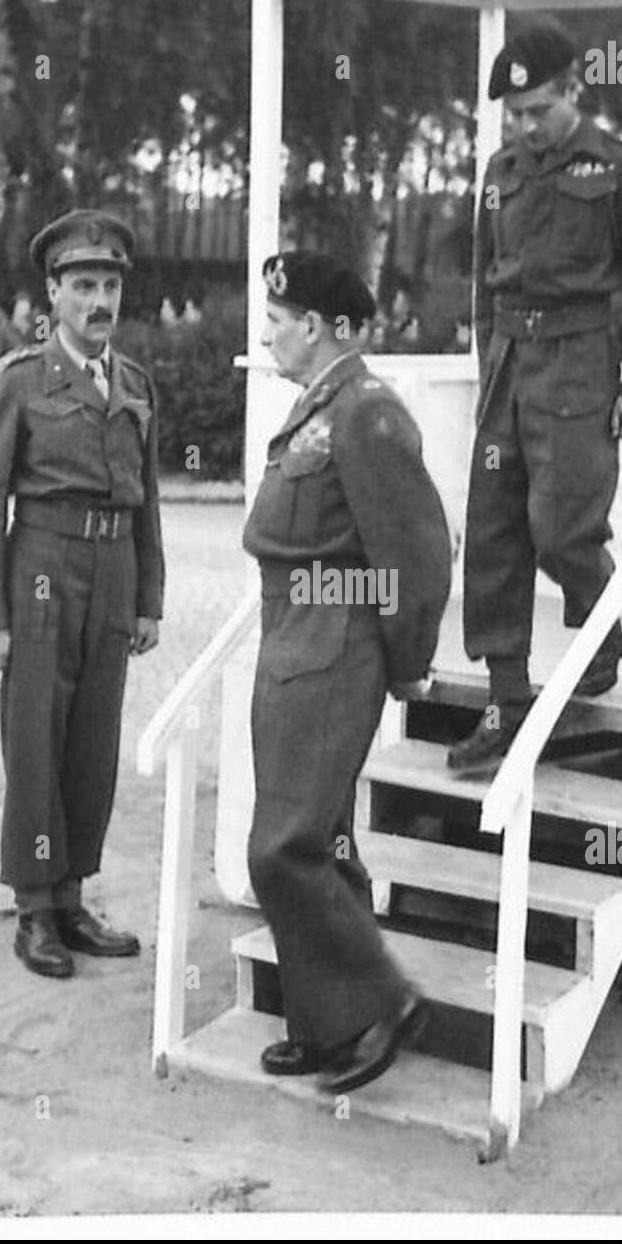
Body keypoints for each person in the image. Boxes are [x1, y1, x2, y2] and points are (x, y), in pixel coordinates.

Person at [243, 250, 452, 1093]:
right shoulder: (318, 408)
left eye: (277, 321)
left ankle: (383, 1002)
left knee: (282, 849)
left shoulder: (366, 414)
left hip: (330, 644)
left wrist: (404, 662)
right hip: (295, 635)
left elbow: (417, 555)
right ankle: (327, 1023)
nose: (267, 335)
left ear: (321, 328)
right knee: (321, 836)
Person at [448, 26, 622, 774]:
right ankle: (504, 702)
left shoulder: (617, 167)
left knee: (560, 529)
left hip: (580, 366)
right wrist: (488, 370)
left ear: (573, 91)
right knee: (493, 535)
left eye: (537, 110)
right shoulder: (498, 173)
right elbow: (484, 285)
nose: (524, 127)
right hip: (510, 364)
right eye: (513, 114)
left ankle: (599, 636)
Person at [0, 208, 163, 980]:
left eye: (109, 284)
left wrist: (148, 597)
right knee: (36, 739)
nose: (99, 300)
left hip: (111, 575)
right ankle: (36, 909)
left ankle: (74, 895)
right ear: (53, 294)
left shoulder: (135, 384)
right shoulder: (18, 381)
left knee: (91, 742)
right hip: (40, 565)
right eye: (83, 286)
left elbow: (148, 498)